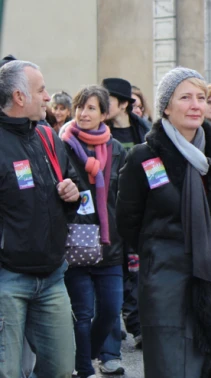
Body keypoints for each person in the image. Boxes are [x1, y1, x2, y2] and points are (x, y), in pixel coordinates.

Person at [116, 67, 211, 377]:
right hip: (164, 282)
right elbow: (127, 223)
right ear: (167, 107)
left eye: (201, 97)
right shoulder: (144, 157)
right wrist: (159, 251)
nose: (196, 104)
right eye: (185, 97)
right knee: (171, 367)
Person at [0, 60, 81, 376]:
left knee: (60, 369)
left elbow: (69, 183)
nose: (48, 97)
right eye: (41, 89)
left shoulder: (48, 137)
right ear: (20, 97)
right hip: (7, 279)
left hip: (52, 277)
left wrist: (72, 193)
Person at [61, 86, 127, 378]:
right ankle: (84, 368)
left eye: (90, 108)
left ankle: (87, 355)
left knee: (112, 310)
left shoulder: (117, 150)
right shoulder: (61, 145)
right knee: (83, 313)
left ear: (104, 113)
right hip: (74, 242)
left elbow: (124, 197)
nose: (83, 113)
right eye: (80, 107)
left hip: (109, 243)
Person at [101, 76, 150, 358]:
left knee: (136, 272)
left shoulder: (142, 131)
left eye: (109, 100)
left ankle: (138, 325)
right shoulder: (98, 133)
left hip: (138, 212)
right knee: (112, 275)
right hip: (108, 213)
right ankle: (117, 335)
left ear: (122, 105)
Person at [103, 78, 151, 151]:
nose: (102, 105)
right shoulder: (99, 131)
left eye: (107, 101)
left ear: (124, 104)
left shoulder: (146, 130)